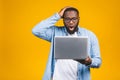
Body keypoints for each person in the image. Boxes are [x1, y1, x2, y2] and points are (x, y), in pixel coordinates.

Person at [32, 6, 102, 80]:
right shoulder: (55, 32)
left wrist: (89, 61)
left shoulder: (90, 35)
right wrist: (57, 16)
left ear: (78, 19)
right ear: (63, 19)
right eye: (67, 19)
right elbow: (36, 30)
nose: (71, 22)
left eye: (74, 19)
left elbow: (98, 62)